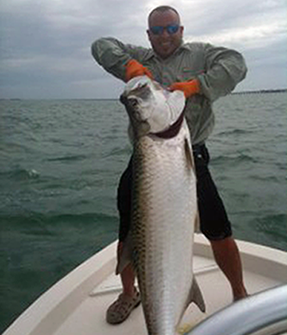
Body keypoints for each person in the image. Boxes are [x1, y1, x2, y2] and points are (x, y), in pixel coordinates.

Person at [91, 5, 248, 325]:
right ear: (149, 35)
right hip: (148, 156)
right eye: (158, 31)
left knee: (218, 227)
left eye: (171, 28)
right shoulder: (141, 57)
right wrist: (130, 67)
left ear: (181, 29)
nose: (165, 35)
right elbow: (101, 45)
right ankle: (128, 292)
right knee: (130, 227)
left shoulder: (201, 54)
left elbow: (236, 63)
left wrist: (196, 86)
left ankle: (240, 292)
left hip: (190, 155)